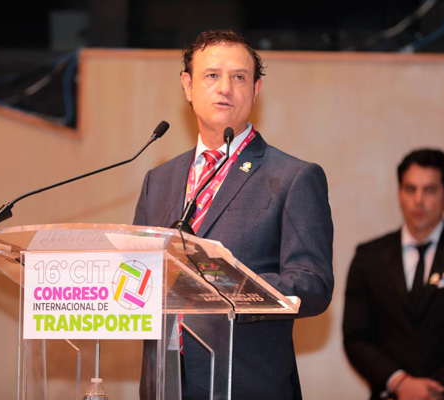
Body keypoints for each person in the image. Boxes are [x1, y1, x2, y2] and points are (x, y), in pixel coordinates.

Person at [133, 29, 334, 400]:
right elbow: (137, 276)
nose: (225, 88)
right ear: (187, 86)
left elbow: (313, 285)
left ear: (256, 90)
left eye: (239, 77)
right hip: (165, 384)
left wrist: (229, 288)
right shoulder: (157, 181)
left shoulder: (293, 177)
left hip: (246, 385)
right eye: (212, 75)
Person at [342, 149, 444, 400]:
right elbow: (356, 337)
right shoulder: (368, 257)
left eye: (430, 190)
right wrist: (400, 382)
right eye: (410, 189)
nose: (418, 200)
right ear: (399, 193)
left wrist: (433, 389)